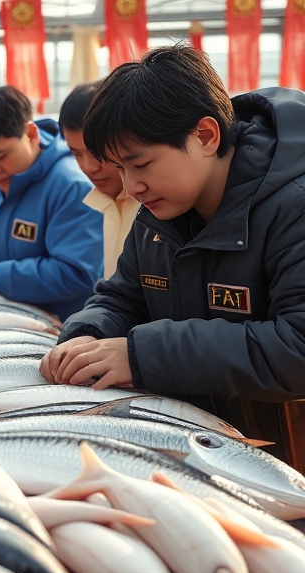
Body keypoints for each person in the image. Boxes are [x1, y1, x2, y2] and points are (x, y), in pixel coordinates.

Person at [40, 44, 305, 459]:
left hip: (286, 459)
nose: (131, 187)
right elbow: (121, 297)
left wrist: (141, 355)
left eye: (140, 164)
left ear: (205, 135)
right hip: (197, 446)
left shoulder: (294, 208)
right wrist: (88, 335)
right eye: (121, 169)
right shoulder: (158, 218)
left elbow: (297, 348)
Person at [0, 85, 103, 320]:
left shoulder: (72, 185)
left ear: (30, 135)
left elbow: (78, 273)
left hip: (64, 330)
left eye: (0, 156)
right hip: (15, 318)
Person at [60, 82, 139, 279]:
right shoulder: (100, 200)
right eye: (76, 153)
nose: (88, 167)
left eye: (97, 152)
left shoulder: (155, 202)